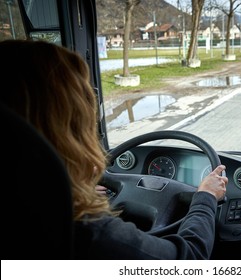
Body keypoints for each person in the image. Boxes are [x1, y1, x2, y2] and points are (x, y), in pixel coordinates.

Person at [0, 39, 228, 259]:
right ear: (67, 130)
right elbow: (188, 259)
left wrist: (78, 190)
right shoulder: (87, 233)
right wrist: (205, 196)